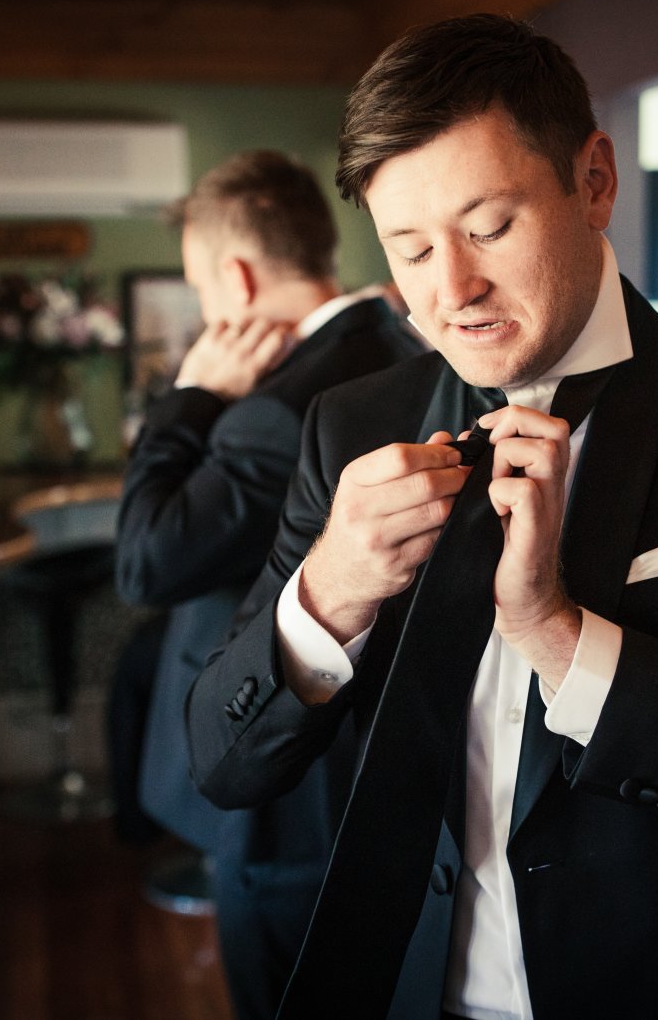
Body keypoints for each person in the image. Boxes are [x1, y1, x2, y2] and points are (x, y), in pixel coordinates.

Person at [187, 15, 658, 1019]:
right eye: (410, 248)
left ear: (595, 181)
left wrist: (560, 638)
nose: (452, 290)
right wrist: (332, 593)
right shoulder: (348, 426)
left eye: (488, 227)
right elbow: (222, 762)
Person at [115, 149, 422, 1019]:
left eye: (200, 288)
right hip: (387, 759)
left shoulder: (277, 405)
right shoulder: (404, 349)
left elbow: (145, 563)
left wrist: (189, 397)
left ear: (238, 278)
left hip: (283, 788)